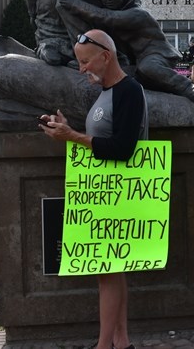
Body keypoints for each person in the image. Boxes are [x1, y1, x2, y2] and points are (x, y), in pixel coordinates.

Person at [39, 29, 148, 349]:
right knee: (112, 272)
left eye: (86, 62)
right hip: (107, 195)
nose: (82, 68)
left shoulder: (129, 90)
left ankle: (103, 346)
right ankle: (121, 340)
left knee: (106, 272)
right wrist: (65, 126)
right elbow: (103, 141)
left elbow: (123, 148)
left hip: (120, 195)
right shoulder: (108, 92)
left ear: (106, 56)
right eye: (79, 62)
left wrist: (71, 136)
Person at [57, 0, 194, 101]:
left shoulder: (137, 13)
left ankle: (187, 87)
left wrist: (74, 4)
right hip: (136, 61)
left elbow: (107, 17)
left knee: (148, 67)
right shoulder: (113, 11)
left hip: (156, 54)